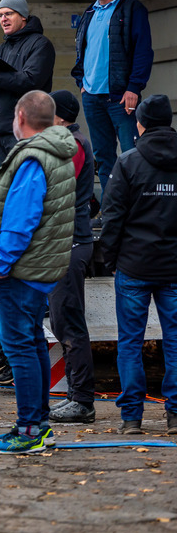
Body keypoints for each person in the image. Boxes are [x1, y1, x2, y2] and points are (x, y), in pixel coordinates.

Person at [0, 91, 76, 454]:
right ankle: (38, 425)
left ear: (20, 118)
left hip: (21, 271)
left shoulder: (33, 158)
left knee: (19, 347)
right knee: (31, 343)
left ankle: (30, 430)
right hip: (40, 269)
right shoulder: (54, 153)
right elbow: (32, 203)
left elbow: (21, 221)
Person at [99, 95, 177, 436]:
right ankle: (175, 416)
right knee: (175, 342)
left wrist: (110, 259)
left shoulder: (128, 162)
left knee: (130, 342)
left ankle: (131, 418)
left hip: (133, 266)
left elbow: (112, 217)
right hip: (173, 268)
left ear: (141, 124)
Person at [72, 0, 154, 196]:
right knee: (103, 157)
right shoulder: (89, 12)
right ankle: (111, 209)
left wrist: (134, 87)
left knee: (132, 154)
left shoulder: (132, 8)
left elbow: (143, 51)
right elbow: (82, 50)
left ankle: (135, 209)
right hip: (92, 97)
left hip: (121, 97)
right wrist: (82, 84)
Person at [46, 90, 97, 424]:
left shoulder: (73, 145)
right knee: (61, 321)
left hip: (69, 243)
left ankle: (82, 400)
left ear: (60, 116)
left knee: (69, 322)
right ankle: (75, 396)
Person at [0, 0, 56, 162]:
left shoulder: (40, 44)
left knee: (24, 177)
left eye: (8, 14)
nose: (3, 19)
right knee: (4, 179)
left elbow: (31, 81)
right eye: (0, 15)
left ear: (23, 16)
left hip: (27, 131)